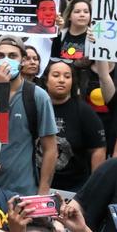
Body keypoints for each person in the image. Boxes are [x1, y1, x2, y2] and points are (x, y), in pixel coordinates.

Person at [0, 36, 57, 196]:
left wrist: (43, 192)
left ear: (23, 61)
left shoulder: (37, 96)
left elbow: (50, 149)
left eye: (12, 56)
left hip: (22, 191)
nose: (5, 61)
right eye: (0, 56)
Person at [42, 60, 105, 191]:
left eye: (67, 76)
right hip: (37, 183)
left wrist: (94, 188)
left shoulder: (84, 111)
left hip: (74, 188)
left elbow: (98, 149)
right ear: (46, 80)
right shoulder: (37, 106)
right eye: (56, 75)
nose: (61, 80)